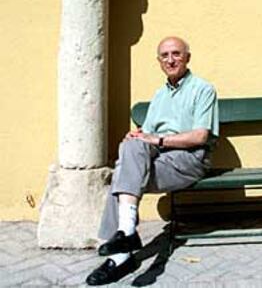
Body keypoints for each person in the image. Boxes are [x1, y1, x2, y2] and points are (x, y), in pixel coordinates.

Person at [86, 36, 219, 285]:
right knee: (130, 152)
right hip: (161, 158)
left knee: (123, 175)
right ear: (159, 62)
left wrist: (156, 140)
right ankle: (125, 235)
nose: (171, 60)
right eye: (165, 56)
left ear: (187, 57)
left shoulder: (203, 89)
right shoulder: (159, 95)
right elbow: (143, 137)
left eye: (176, 54)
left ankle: (120, 255)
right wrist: (136, 136)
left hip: (190, 160)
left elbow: (200, 136)